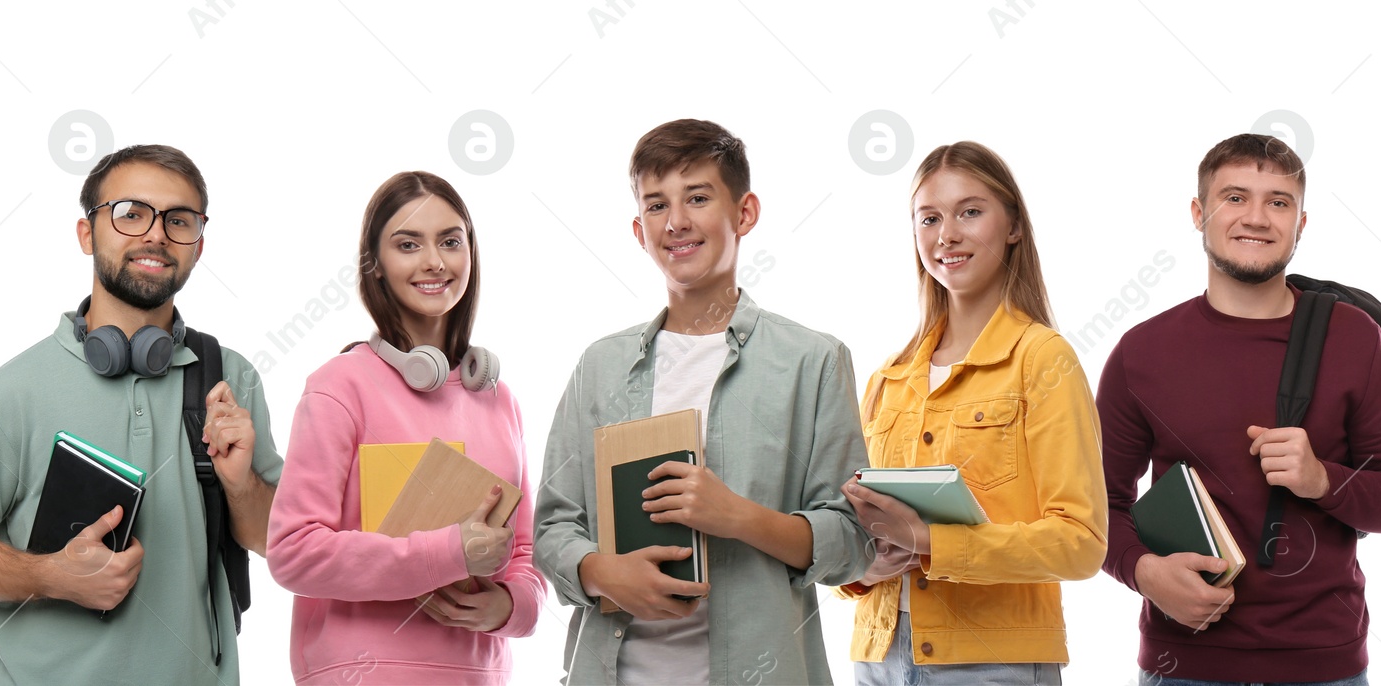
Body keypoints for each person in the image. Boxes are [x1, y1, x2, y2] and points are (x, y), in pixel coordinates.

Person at [533, 119, 873, 684]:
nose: (678, 222)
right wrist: (599, 572)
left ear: (744, 214)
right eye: (658, 205)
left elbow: (853, 542)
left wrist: (738, 517)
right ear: (640, 230)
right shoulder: (600, 367)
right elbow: (553, 526)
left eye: (697, 197)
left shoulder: (813, 361)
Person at [0, 144, 282, 685]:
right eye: (132, 213)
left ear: (199, 244)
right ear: (87, 233)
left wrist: (240, 484)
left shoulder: (230, 379)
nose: (156, 235)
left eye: (178, 220)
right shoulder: (12, 392)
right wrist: (52, 575)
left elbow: (270, 538)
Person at [1097, 133, 1381, 685]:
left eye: (1278, 202)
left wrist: (1322, 479)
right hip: (1183, 664)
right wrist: (1144, 572)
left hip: (1325, 666)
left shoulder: (1354, 338)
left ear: (1300, 223)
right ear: (1199, 213)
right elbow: (1094, 506)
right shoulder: (1142, 352)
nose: (1257, 217)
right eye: (1235, 197)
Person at [839, 142, 1107, 686]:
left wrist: (930, 541)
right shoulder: (887, 377)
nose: (947, 235)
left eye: (970, 211)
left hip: (992, 663)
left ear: (1012, 226)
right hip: (877, 657)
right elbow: (850, 526)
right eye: (929, 218)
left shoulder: (1042, 359)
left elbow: (1081, 543)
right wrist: (862, 567)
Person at [266, 171, 544, 685]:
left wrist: (511, 606)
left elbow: (524, 552)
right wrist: (449, 552)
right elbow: (294, 552)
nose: (434, 261)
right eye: (408, 244)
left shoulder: (499, 398)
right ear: (376, 266)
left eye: (450, 241)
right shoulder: (339, 387)